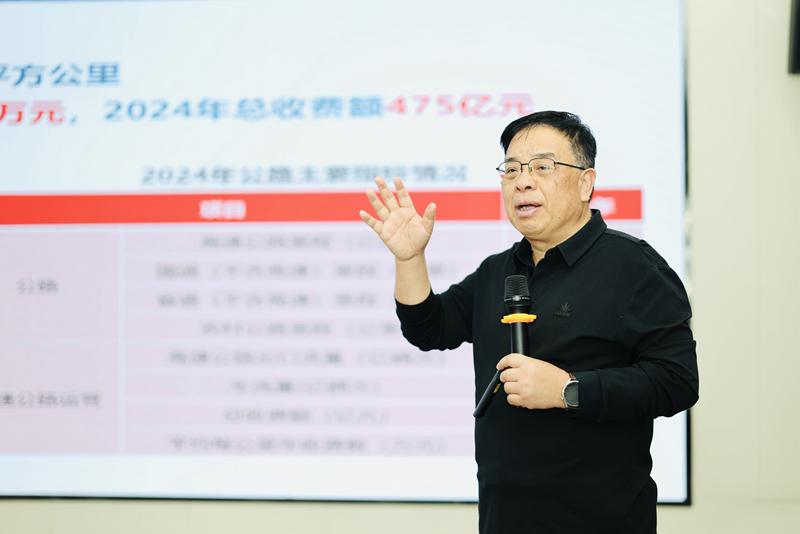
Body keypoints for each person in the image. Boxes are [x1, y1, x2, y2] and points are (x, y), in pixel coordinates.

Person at [358, 111, 699, 534]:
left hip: (600, 521)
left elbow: (677, 381)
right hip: (505, 518)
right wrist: (410, 259)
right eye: (512, 169)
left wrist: (567, 389)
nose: (522, 182)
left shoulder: (634, 268)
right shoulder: (497, 271)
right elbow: (429, 329)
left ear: (586, 183)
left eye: (542, 167)